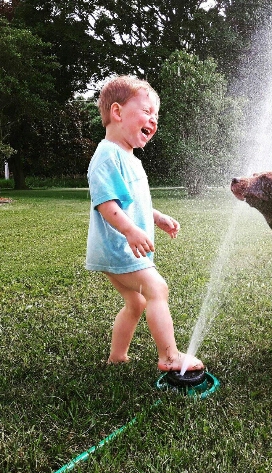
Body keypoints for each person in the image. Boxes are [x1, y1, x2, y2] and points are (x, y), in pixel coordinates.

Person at [85, 75, 203, 373]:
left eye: (156, 116)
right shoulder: (107, 156)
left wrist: (157, 217)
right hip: (119, 248)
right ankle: (170, 357)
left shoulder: (130, 158)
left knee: (136, 303)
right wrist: (130, 230)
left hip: (123, 248)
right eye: (147, 111)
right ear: (117, 112)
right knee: (157, 289)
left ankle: (117, 356)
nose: (153, 120)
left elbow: (132, 202)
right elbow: (106, 204)